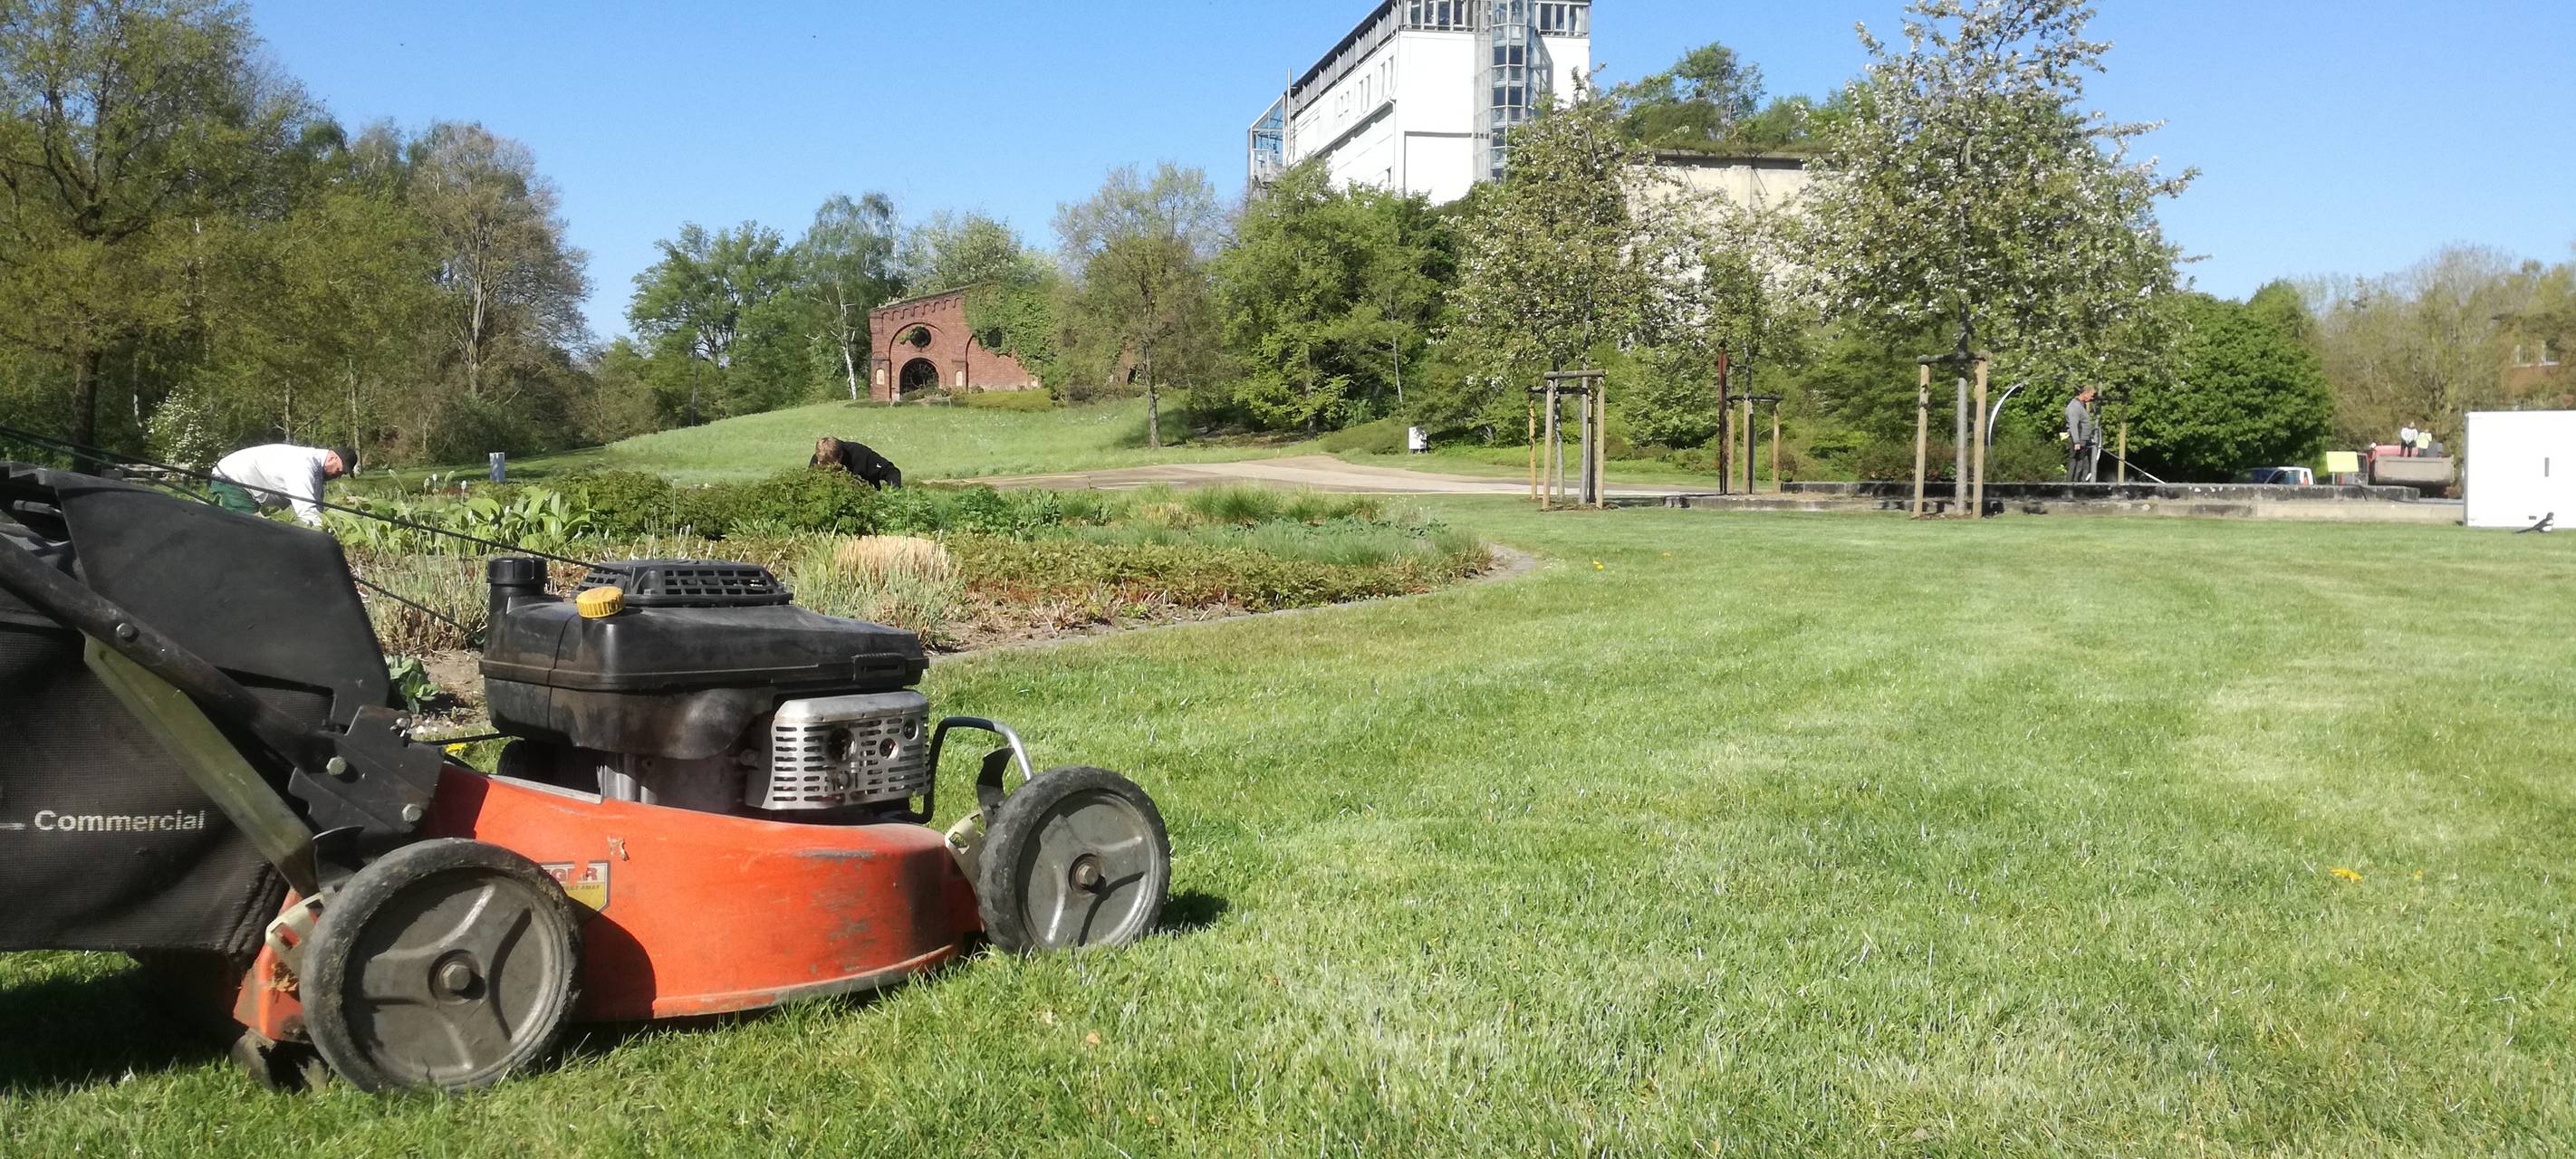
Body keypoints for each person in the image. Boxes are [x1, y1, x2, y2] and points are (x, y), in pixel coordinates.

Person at [209, 444, 354, 527]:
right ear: (332, 458)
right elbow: (305, 508)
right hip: (232, 480)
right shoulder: (303, 464)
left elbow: (317, 504)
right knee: (248, 532)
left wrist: (327, 522)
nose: (338, 476)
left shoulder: (316, 470)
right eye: (339, 470)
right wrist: (325, 537)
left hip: (245, 485)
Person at [2065, 386, 2101, 484]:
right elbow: (2073, 425)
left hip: (2083, 439)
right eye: (2091, 395)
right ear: (2085, 393)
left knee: (2083, 463)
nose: (2092, 398)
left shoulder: (2081, 406)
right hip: (2078, 439)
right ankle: (2071, 483)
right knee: (2075, 462)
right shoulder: (2074, 407)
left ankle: (2080, 482)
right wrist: (2077, 441)